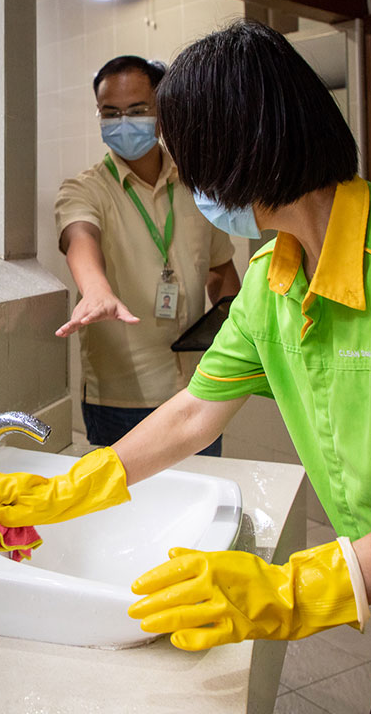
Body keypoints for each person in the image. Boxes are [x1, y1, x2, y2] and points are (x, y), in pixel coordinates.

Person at [0, 20, 371, 714]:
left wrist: (296, 589)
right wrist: (78, 485)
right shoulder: (272, 278)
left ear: (241, 145)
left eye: (189, 150)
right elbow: (196, 410)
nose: (185, 173)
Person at [55, 55, 240, 456]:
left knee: (201, 504)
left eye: (138, 110)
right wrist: (95, 289)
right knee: (124, 511)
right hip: (120, 398)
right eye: (111, 112)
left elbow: (220, 269)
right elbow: (79, 235)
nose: (124, 121)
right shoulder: (84, 189)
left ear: (161, 112)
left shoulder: (197, 185)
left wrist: (238, 325)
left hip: (198, 389)